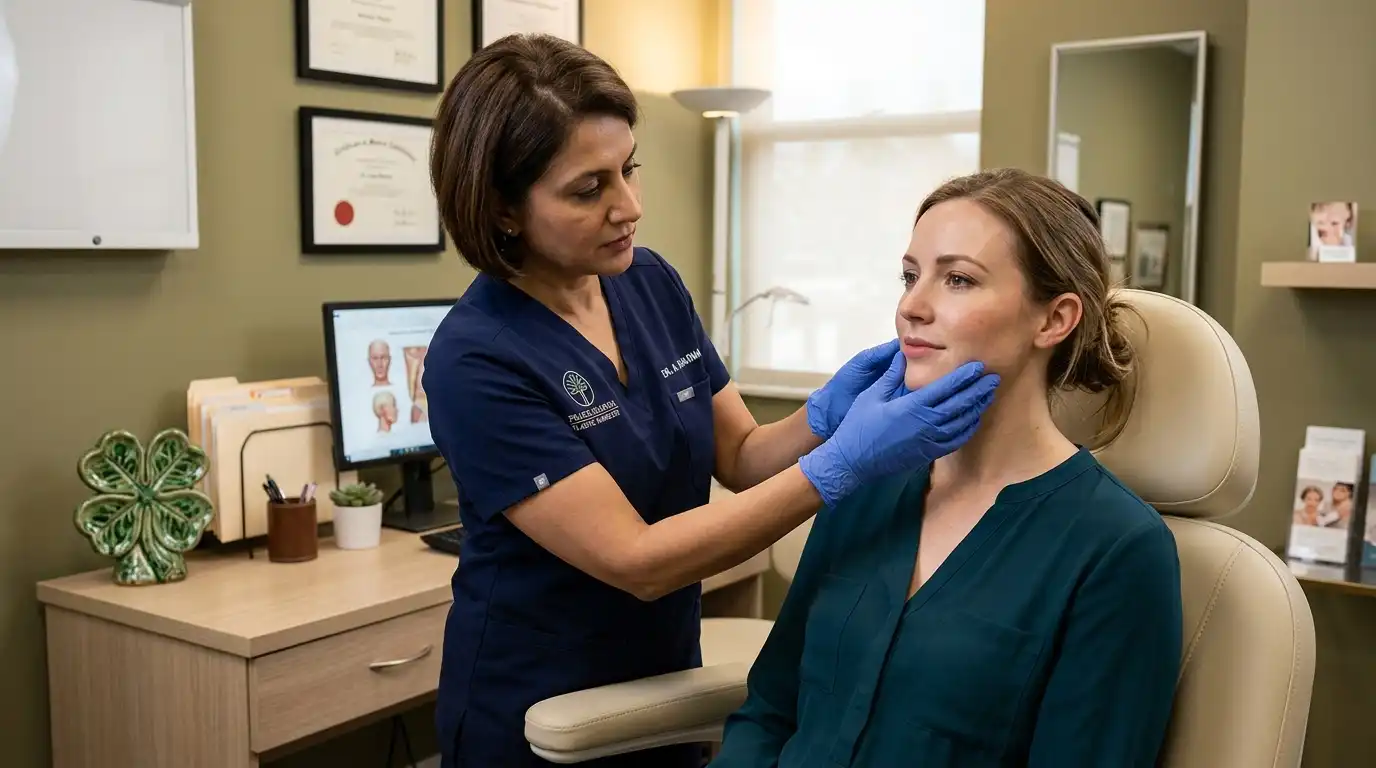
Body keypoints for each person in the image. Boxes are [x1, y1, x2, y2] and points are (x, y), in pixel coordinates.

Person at [421, 34, 1001, 768]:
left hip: (666, 682)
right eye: (588, 189)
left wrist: (823, 416)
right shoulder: (476, 360)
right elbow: (638, 560)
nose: (628, 206)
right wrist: (841, 468)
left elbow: (740, 455)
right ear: (503, 210)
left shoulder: (648, 282)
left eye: (628, 169)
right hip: (539, 713)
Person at [711, 168, 1184, 767]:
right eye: (910, 277)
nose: (912, 305)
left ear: (1054, 320)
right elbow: (770, 711)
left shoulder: (1118, 550)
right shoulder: (866, 482)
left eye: (958, 280)